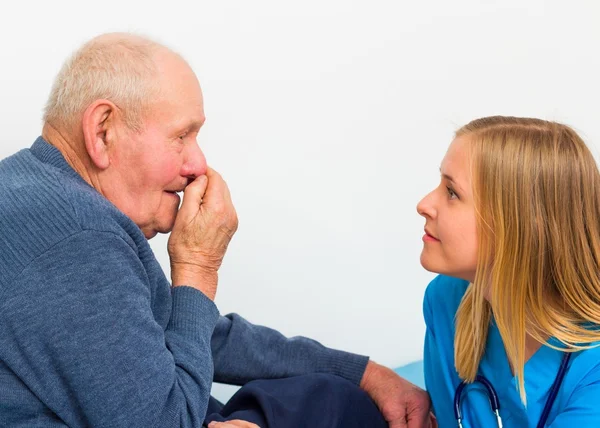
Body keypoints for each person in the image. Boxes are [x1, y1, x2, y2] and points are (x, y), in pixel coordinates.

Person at [0, 33, 431, 427]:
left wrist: (362, 373)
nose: (197, 164)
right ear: (103, 131)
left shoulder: (36, 188)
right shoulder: (78, 239)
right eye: (181, 136)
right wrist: (198, 267)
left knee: (324, 395)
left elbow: (190, 329)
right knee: (325, 407)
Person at [417, 116, 600, 427]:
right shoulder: (446, 301)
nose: (424, 204)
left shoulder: (591, 370)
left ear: (518, 225)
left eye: (451, 192)